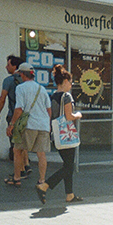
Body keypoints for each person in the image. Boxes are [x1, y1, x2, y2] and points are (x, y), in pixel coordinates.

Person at [36, 65, 83, 204]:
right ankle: (45, 186)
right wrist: (78, 115)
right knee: (69, 166)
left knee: (67, 164)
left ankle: (70, 194)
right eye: (70, 82)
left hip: (57, 134)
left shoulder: (54, 96)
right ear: (65, 81)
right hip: (66, 134)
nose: (71, 85)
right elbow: (69, 116)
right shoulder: (66, 96)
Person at [5, 63, 51, 187]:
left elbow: (19, 109)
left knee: (17, 150)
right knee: (41, 153)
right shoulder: (42, 89)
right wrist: (47, 123)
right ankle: (42, 180)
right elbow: (48, 109)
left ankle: (17, 178)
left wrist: (11, 124)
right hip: (43, 125)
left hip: (29, 125)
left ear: (22, 74)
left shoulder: (20, 88)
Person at [0, 55, 31, 173]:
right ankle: (26, 164)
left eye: (8, 64)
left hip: (13, 114)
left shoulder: (8, 80)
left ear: (15, 66)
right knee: (23, 140)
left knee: (16, 144)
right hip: (27, 115)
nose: (6, 67)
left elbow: (2, 98)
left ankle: (20, 171)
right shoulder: (28, 81)